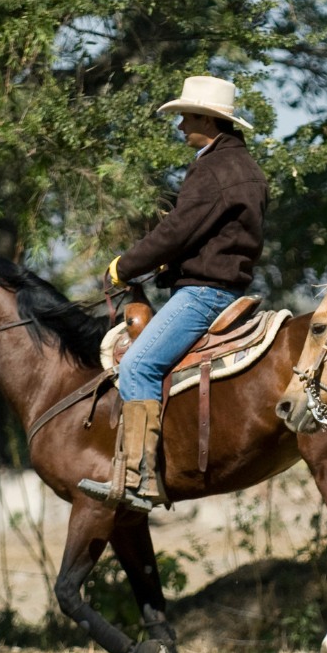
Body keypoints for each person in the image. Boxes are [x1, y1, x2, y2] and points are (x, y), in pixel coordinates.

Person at [79, 75, 269, 512]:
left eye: (186, 116)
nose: (180, 125)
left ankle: (137, 479)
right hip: (228, 288)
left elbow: (176, 230)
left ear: (209, 120)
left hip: (204, 295)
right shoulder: (248, 169)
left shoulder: (213, 170)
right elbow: (213, 237)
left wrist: (123, 267)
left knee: (139, 366)